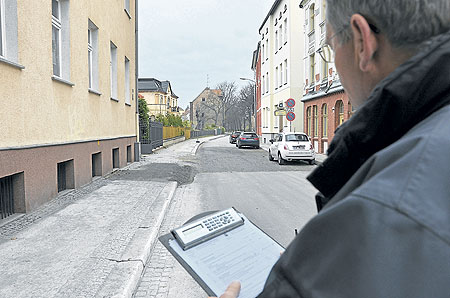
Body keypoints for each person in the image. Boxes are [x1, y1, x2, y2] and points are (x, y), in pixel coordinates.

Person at [216, 0, 450, 297]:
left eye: (331, 47)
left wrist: (302, 281)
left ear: (363, 42)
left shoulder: (383, 204)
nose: (334, 65)